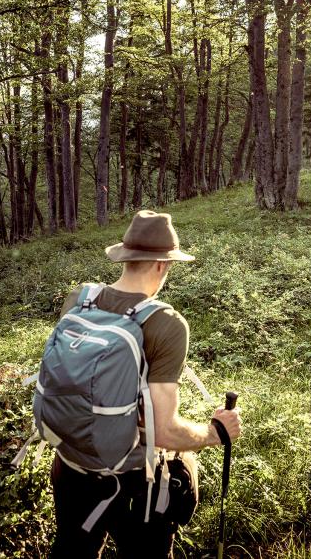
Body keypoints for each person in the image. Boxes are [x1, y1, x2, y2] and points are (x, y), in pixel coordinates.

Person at [49, 210, 243, 558]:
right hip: (134, 485)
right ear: (161, 265)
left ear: (125, 257)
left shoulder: (79, 299)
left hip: (70, 466)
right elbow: (164, 432)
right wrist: (215, 433)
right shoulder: (166, 323)